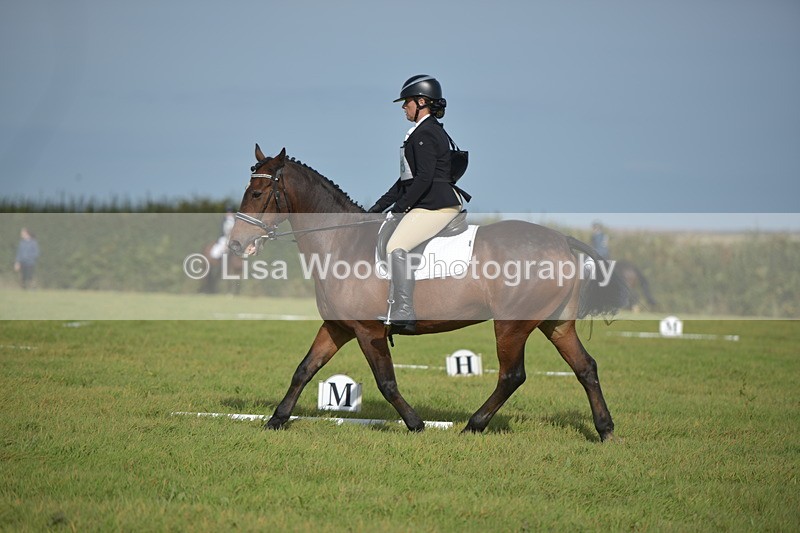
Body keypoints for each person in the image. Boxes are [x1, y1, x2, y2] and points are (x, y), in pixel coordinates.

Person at [367, 75, 468, 334]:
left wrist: (399, 210)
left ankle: (404, 310)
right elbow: (404, 181)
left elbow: (423, 179)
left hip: (436, 204)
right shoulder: (424, 131)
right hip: (429, 202)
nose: (404, 107)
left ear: (421, 102)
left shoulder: (425, 133)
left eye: (407, 102)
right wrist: (377, 209)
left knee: (396, 245)